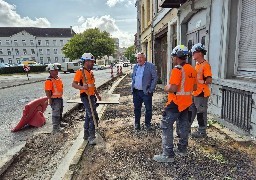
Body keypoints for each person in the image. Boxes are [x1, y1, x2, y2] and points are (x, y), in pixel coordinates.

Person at [153, 45, 197, 163]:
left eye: (173, 56)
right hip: (187, 103)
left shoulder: (177, 69)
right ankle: (182, 149)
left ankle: (168, 154)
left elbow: (172, 88)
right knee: (183, 126)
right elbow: (195, 87)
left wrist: (166, 87)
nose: (172, 59)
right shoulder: (192, 69)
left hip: (175, 103)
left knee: (166, 125)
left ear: (177, 57)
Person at [72, 53, 101, 145]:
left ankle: (86, 135)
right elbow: (74, 84)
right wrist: (82, 87)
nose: (93, 63)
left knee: (89, 116)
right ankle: (91, 137)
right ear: (86, 62)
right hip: (85, 96)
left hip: (91, 96)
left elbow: (93, 86)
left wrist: (97, 95)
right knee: (93, 116)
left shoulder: (90, 72)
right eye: (91, 62)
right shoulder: (80, 72)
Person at [189, 43, 212, 138]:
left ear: (199, 53)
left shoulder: (205, 65)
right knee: (191, 111)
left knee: (201, 113)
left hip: (201, 93)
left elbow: (209, 80)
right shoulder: (197, 65)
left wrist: (200, 82)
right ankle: (186, 128)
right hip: (195, 93)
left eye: (194, 52)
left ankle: (202, 132)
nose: (192, 54)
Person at [131, 52, 158, 130]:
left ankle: (147, 124)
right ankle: (137, 124)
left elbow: (155, 78)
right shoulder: (135, 67)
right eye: (138, 58)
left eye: (141, 57)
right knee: (137, 108)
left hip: (146, 92)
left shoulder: (150, 66)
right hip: (136, 92)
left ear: (144, 58)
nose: (139, 59)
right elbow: (133, 77)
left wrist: (151, 89)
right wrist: (132, 87)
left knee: (148, 109)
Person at [44, 64, 64, 134]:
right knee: (56, 113)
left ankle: (59, 124)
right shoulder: (49, 80)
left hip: (59, 98)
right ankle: (55, 128)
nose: (57, 71)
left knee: (60, 111)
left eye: (57, 70)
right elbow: (47, 91)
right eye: (55, 70)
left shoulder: (57, 78)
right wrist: (49, 99)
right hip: (54, 99)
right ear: (50, 71)